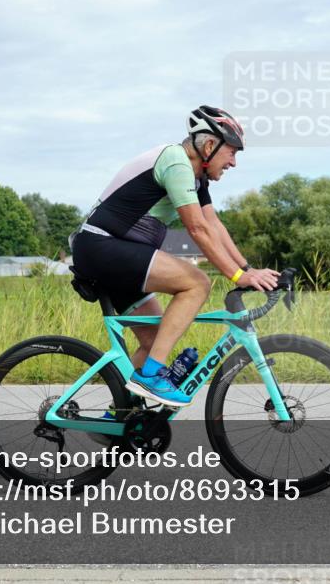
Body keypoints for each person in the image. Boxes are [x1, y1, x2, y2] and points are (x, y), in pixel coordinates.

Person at [70, 105, 280, 407]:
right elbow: (196, 228)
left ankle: (120, 421)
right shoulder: (176, 163)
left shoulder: (197, 177)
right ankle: (152, 375)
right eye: (232, 152)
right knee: (197, 283)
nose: (233, 162)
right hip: (102, 246)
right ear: (209, 145)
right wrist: (237, 276)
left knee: (155, 341)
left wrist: (248, 269)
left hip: (112, 251)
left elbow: (213, 225)